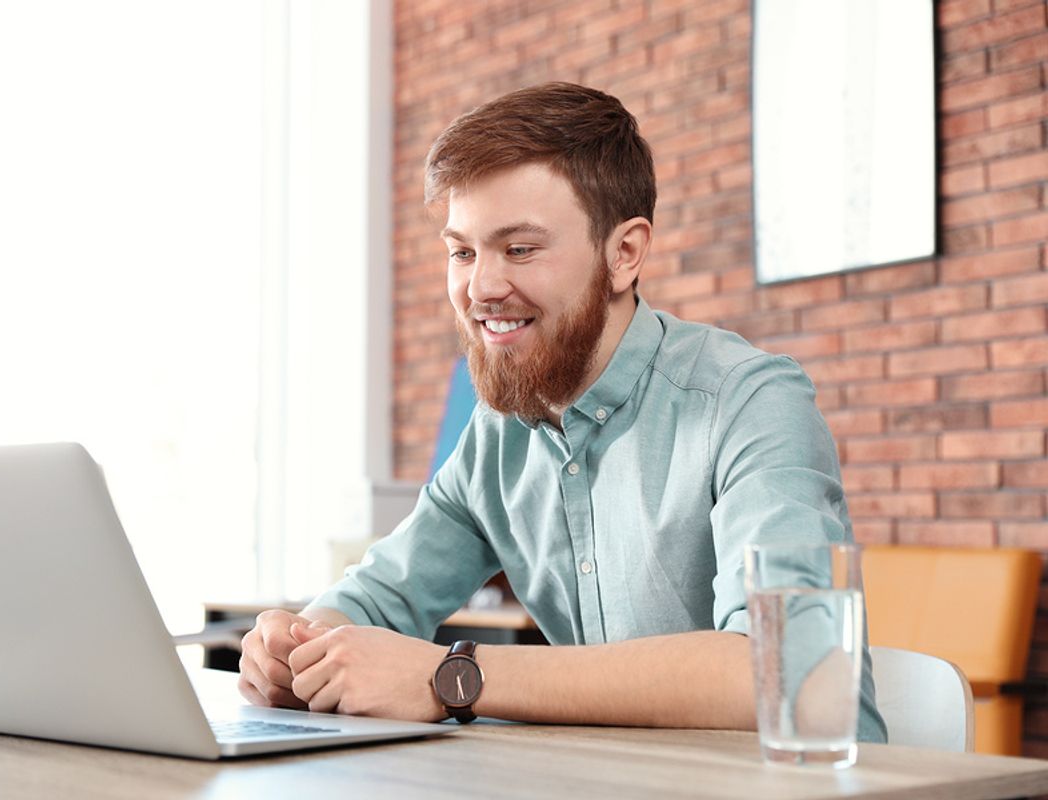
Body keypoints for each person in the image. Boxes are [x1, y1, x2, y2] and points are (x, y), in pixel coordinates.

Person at [238, 82, 886, 741]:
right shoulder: (499, 438)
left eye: (519, 249)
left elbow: (784, 675)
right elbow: (376, 601)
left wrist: (452, 678)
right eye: (462, 251)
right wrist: (294, 648)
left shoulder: (750, 402)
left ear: (624, 254)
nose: (481, 287)